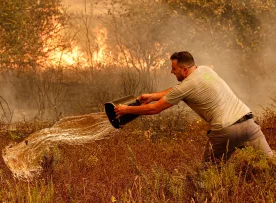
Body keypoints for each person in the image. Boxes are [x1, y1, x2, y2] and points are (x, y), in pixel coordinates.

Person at [114, 51, 274, 162]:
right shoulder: (205, 70)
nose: (171, 72)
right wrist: (153, 95)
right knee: (269, 163)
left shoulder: (186, 86)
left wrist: (126, 109)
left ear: (184, 69)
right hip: (249, 123)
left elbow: (155, 109)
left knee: (208, 174)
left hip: (225, 130)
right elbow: (182, 89)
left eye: (174, 69)